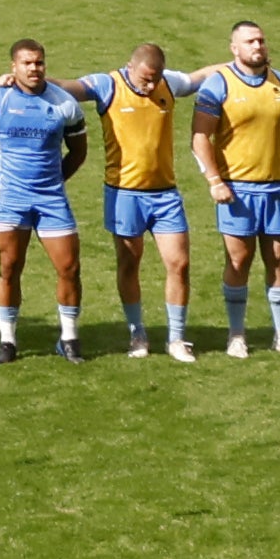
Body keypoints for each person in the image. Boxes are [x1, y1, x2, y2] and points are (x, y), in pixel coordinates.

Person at [0, 39, 91, 361]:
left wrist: (55, 180)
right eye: (27, 63)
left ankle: (68, 338)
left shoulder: (64, 104)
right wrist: (0, 179)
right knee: (10, 267)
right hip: (10, 200)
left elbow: (78, 150)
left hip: (51, 199)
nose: (34, 68)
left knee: (69, 266)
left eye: (39, 63)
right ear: (14, 66)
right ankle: (7, 341)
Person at [90, 24, 200, 364]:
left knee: (179, 264)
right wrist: (17, 81)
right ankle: (137, 331)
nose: (150, 86)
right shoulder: (108, 84)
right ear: (130, 67)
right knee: (129, 262)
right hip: (124, 194)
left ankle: (177, 338)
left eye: (155, 79)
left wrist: (239, 63)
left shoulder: (170, 85)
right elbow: (68, 88)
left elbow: (203, 76)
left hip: (166, 194)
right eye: (144, 79)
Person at [201, 13, 280, 359]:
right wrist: (214, 181)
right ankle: (236, 335)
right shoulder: (218, 85)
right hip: (237, 190)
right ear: (234, 48)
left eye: (261, 40)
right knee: (238, 260)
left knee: (279, 261)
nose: (258, 46)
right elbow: (199, 138)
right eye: (250, 41)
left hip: (277, 189)